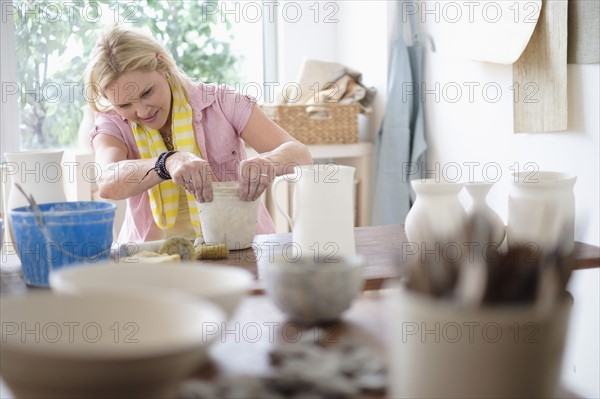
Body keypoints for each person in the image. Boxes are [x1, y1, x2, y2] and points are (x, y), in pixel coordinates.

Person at [85, 25, 313, 244]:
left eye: (148, 92)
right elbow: (107, 181)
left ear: (162, 65)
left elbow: (301, 156)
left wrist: (269, 162)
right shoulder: (112, 122)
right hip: (153, 258)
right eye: (125, 104)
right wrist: (167, 163)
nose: (142, 111)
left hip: (237, 249)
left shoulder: (222, 102)